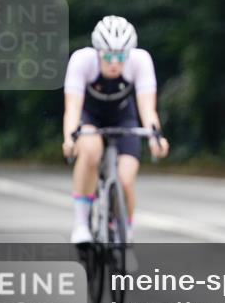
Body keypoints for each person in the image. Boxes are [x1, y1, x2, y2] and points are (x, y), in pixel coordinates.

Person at [62, 15, 169, 244]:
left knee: (126, 179)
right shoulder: (82, 60)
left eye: (120, 56)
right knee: (90, 151)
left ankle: (126, 233)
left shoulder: (140, 61)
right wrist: (70, 139)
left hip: (123, 116)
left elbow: (148, 110)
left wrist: (155, 138)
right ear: (97, 51)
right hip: (90, 116)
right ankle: (81, 224)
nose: (114, 63)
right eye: (108, 56)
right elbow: (72, 108)